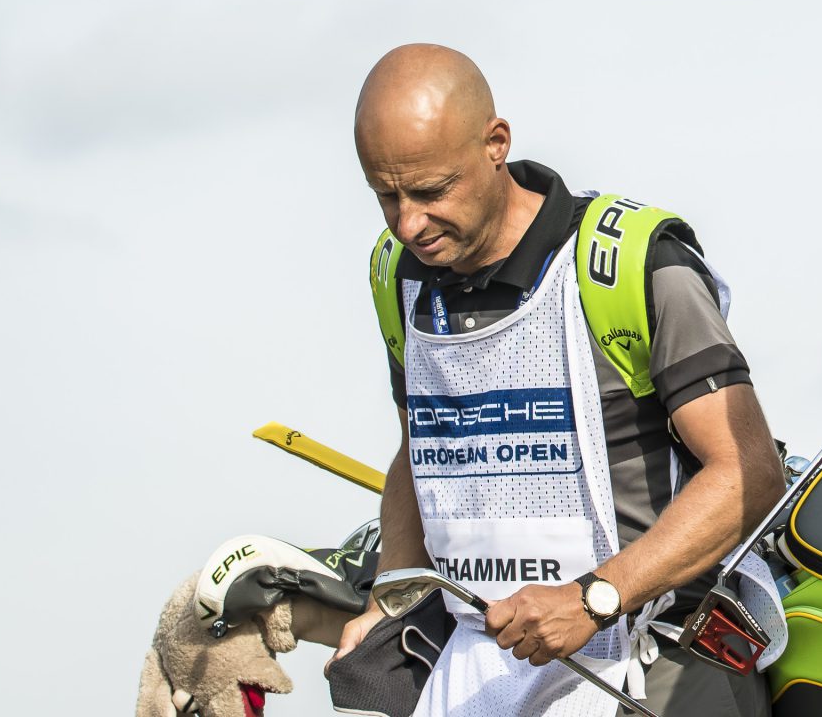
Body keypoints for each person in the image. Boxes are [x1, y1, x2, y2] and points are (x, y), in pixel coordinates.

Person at [331, 43, 782, 716]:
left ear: (496, 143)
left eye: (430, 191)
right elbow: (420, 449)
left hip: (648, 661)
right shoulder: (396, 275)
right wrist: (387, 599)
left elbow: (748, 473)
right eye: (384, 195)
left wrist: (595, 597)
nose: (408, 222)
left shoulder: (632, 264)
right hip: (481, 667)